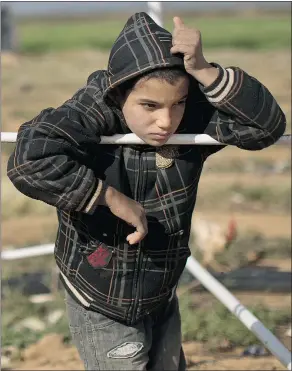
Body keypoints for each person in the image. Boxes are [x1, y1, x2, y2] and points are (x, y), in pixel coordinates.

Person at [7, 12, 286, 371]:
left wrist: (204, 70)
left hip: (160, 289)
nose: (166, 122)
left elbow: (266, 127)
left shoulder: (190, 117)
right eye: (149, 106)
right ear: (120, 92)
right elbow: (28, 160)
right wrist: (108, 197)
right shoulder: (94, 108)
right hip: (99, 293)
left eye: (178, 103)